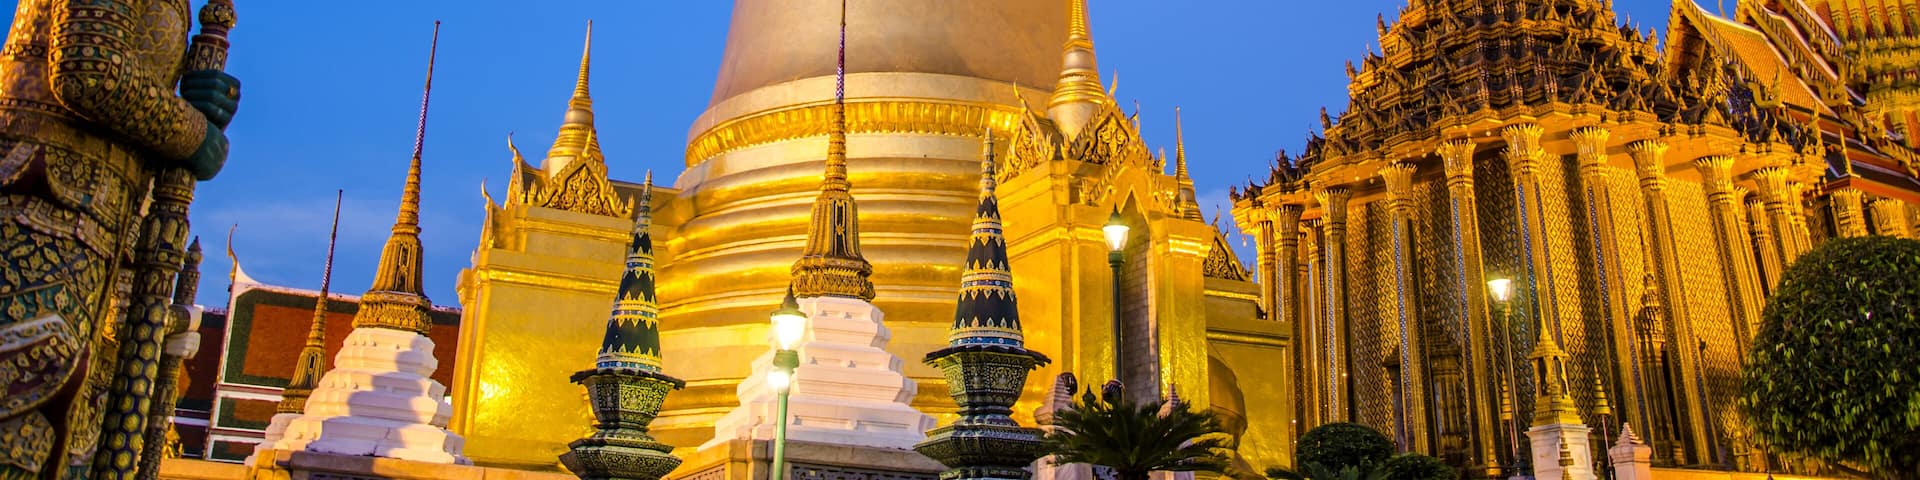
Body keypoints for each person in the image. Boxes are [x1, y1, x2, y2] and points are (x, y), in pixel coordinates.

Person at [0, 1, 240, 478]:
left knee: (67, 429)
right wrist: (195, 134)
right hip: (38, 202)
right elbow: (87, 68)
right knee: (22, 405)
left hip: (94, 225)